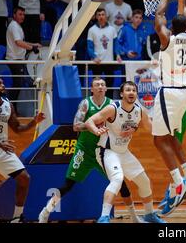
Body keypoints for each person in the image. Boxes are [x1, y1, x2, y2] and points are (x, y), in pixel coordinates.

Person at [38, 78, 144, 223]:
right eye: (97, 85)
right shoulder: (86, 103)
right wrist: (94, 126)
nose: (100, 87)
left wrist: (133, 128)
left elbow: (130, 121)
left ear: (106, 89)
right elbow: (76, 126)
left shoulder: (113, 105)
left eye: (102, 85)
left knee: (122, 184)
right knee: (68, 184)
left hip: (105, 151)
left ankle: (134, 217)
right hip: (85, 150)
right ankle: (46, 211)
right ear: (92, 89)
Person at [152, 0, 186, 216]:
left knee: (158, 140)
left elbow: (158, 14)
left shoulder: (167, 39)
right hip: (184, 93)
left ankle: (178, 181)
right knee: (170, 139)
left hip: (169, 92)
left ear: (172, 26)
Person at [85, 81, 165, 223]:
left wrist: (167, 125)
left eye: (134, 90)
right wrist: (96, 130)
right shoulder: (113, 108)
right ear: (122, 94)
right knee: (117, 179)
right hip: (107, 151)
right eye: (128, 90)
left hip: (124, 152)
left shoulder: (139, 111)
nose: (131, 93)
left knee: (145, 182)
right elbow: (89, 121)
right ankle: (103, 217)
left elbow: (151, 128)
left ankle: (149, 214)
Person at [0, 75, 45, 222]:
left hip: (4, 150)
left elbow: (17, 128)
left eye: (3, 83)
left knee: (24, 178)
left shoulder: (7, 104)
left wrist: (34, 122)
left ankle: (17, 216)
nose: (3, 85)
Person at [5, 7, 42, 102]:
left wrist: (34, 44)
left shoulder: (16, 26)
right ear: (14, 15)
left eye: (23, 14)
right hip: (14, 60)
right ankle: (11, 108)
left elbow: (22, 41)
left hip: (17, 59)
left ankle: (12, 108)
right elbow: (18, 43)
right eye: (20, 14)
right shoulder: (14, 26)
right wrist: (32, 48)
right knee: (17, 85)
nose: (22, 16)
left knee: (18, 84)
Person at [87, 8, 122, 99]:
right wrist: (94, 57)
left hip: (109, 62)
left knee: (109, 84)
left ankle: (109, 103)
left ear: (106, 16)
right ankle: (94, 101)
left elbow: (116, 45)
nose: (101, 17)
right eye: (99, 15)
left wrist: (117, 55)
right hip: (97, 62)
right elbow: (89, 47)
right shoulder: (92, 30)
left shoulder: (112, 29)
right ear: (96, 17)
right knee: (96, 84)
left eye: (103, 14)